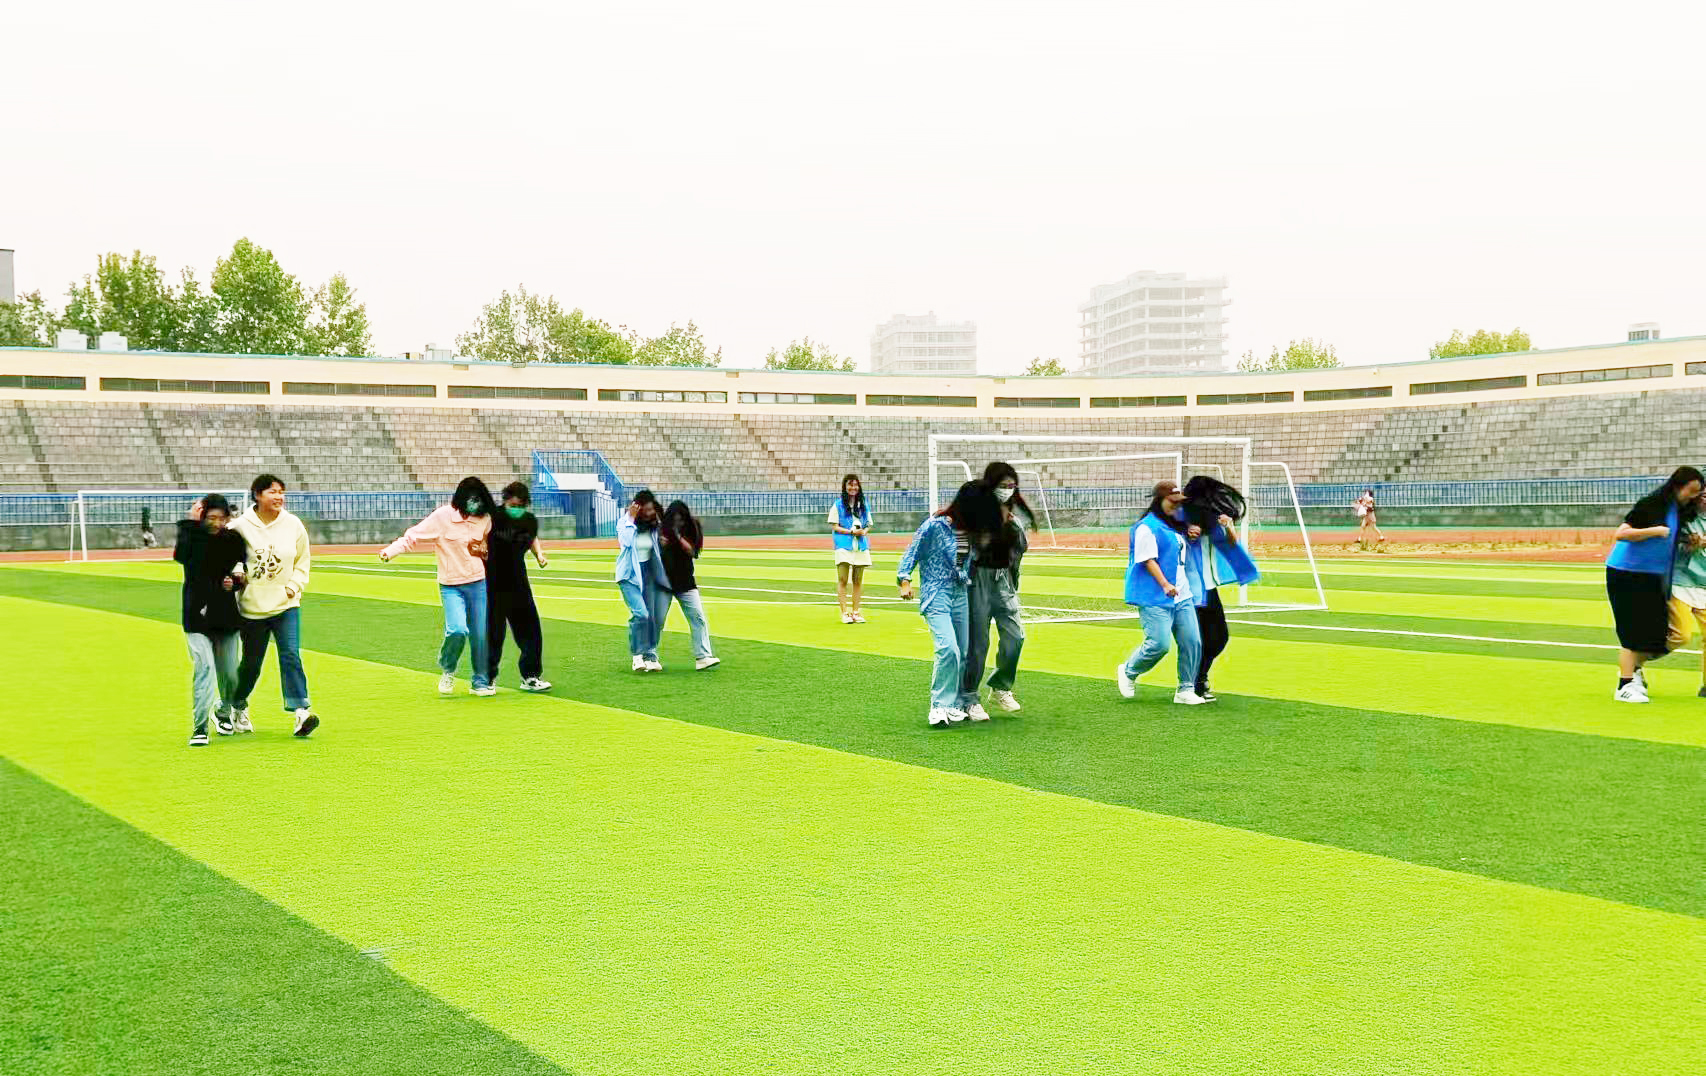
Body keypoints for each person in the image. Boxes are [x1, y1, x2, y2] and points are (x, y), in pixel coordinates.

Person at [898, 480, 1002, 728]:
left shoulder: (973, 530)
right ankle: (938, 706)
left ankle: (954, 704)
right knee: (948, 649)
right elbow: (913, 551)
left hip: (959, 592)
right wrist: (905, 579)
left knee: (963, 652)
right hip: (936, 591)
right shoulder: (935, 526)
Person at [381, 477, 497, 697]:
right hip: (451, 586)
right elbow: (413, 535)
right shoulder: (443, 517)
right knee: (457, 629)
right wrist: (391, 551)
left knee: (480, 635)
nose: (475, 504)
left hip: (478, 583)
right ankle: (448, 668)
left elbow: (485, 547)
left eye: (479, 500)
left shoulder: (485, 519)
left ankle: (480, 682)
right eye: (472, 499)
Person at [230, 474, 319, 737]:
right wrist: (237, 574)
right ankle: (237, 705)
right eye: (272, 492)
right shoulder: (239, 527)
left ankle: (301, 712)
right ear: (257, 495)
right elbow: (227, 557)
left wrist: (293, 587)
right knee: (251, 663)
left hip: (286, 605)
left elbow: (303, 561)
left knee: (290, 655)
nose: (279, 496)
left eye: (281, 491)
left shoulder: (293, 525)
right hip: (252, 607)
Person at [1606, 466, 1703, 702]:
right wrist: (1654, 531)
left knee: (1652, 630)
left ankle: (1635, 673)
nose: (1695, 496)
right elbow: (1621, 534)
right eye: (1693, 491)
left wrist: (1689, 541)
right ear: (1679, 486)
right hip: (1627, 572)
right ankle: (1624, 685)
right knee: (1632, 629)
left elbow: (1672, 540)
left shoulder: (1679, 510)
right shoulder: (1652, 504)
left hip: (1653, 575)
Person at [1116, 480, 1207, 705]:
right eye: (1172, 502)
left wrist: (1190, 533)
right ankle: (1129, 670)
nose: (1176, 506)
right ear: (1159, 501)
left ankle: (1185, 689)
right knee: (1159, 644)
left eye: (1178, 502)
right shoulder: (1146, 527)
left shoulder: (1174, 525)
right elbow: (1148, 559)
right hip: (1155, 595)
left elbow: (1177, 549)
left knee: (1192, 641)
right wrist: (1165, 584)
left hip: (1182, 594)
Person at [1177, 475, 1262, 702]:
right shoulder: (1181, 518)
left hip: (1209, 586)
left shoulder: (1211, 519)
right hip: (1190, 588)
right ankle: (1192, 684)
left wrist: (1229, 526)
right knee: (1198, 638)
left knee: (1219, 637)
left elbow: (1230, 543)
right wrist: (1186, 532)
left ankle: (1198, 678)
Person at [960, 461, 1032, 719]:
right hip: (977, 582)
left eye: (1012, 486)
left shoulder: (1013, 522)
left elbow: (1018, 555)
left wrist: (1013, 585)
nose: (1008, 490)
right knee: (978, 643)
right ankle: (968, 697)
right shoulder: (975, 514)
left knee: (1016, 636)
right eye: (1003, 486)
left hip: (1002, 582)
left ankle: (1000, 685)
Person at [174, 494, 247, 746]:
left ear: (227, 518)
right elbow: (182, 555)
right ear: (202, 516)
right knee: (204, 668)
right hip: (196, 615)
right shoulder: (192, 537)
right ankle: (200, 727)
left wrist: (234, 582)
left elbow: (241, 572)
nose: (215, 523)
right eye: (210, 518)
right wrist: (192, 523)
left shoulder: (233, 540)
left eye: (220, 518)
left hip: (225, 615)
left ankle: (223, 711)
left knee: (230, 673)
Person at [485, 481, 551, 692]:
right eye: (513, 504)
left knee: (530, 628)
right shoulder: (492, 517)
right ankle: (486, 678)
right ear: (505, 500)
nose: (516, 509)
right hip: (492, 582)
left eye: (521, 505)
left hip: (518, 581)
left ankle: (530, 676)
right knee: (494, 632)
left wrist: (539, 554)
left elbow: (531, 537)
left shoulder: (526, 520)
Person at [657, 499, 721, 670]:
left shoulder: (692, 527)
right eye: (675, 519)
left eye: (681, 519)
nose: (678, 522)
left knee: (698, 617)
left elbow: (692, 551)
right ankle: (649, 656)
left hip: (686, 581)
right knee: (657, 620)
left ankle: (703, 657)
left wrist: (677, 536)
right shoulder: (661, 529)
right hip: (664, 582)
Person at [615, 490, 668, 672]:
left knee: (652, 617)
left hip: (649, 574)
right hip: (630, 575)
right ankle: (637, 655)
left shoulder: (654, 525)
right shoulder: (625, 523)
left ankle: (650, 654)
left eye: (651, 509)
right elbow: (626, 541)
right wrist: (630, 518)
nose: (650, 513)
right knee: (641, 614)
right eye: (646, 510)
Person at [1664, 487, 1706, 699]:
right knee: (1680, 635)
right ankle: (1635, 660)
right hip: (1683, 582)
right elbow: (1669, 547)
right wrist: (1690, 545)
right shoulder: (1683, 518)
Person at [829, 474, 873, 623]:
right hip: (843, 544)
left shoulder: (863, 504)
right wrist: (851, 532)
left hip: (860, 545)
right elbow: (834, 526)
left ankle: (856, 612)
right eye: (850, 485)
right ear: (845, 486)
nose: (853, 488)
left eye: (855, 485)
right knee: (843, 579)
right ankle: (844, 613)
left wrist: (863, 532)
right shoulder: (838, 504)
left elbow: (868, 525)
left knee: (858, 580)